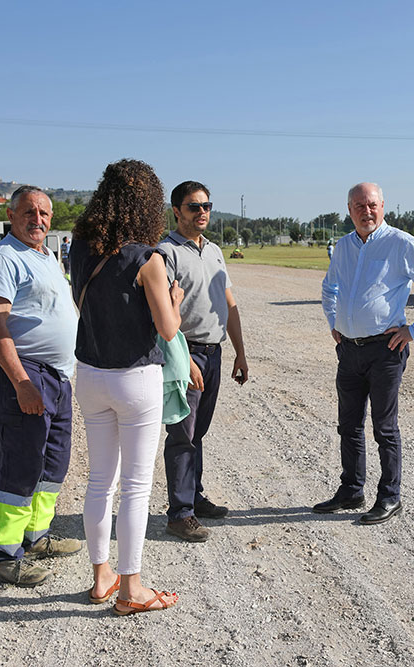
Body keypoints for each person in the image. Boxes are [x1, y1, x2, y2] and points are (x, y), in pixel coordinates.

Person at [70, 159, 182, 615]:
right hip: (135, 378)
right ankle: (131, 589)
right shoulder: (148, 258)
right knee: (136, 486)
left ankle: (101, 580)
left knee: (100, 479)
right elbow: (169, 330)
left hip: (90, 375)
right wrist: (173, 299)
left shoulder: (78, 249)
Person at [317, 182, 414, 525]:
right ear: (349, 210)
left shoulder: (401, 243)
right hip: (349, 349)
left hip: (385, 350)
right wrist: (335, 321)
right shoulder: (343, 247)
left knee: (384, 428)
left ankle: (390, 497)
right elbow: (329, 287)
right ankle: (351, 490)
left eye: (371, 204)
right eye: (359, 206)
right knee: (349, 426)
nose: (366, 211)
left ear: (383, 206)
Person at [0, 185, 81, 587]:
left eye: (44, 213)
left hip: (57, 377)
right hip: (27, 373)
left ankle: (35, 537)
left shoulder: (47, 255)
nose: (38, 219)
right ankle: (4, 555)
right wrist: (20, 381)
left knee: (53, 463)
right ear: (11, 213)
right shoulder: (5, 256)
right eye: (29, 212)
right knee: (21, 465)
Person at [158, 180, 249, 542]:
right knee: (182, 434)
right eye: (194, 207)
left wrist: (240, 351)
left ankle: (193, 498)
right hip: (187, 352)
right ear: (176, 211)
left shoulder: (213, 250)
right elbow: (161, 313)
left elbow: (228, 303)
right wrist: (184, 361)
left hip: (215, 352)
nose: (202, 212)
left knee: (199, 432)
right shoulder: (165, 252)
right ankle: (179, 513)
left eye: (207, 206)